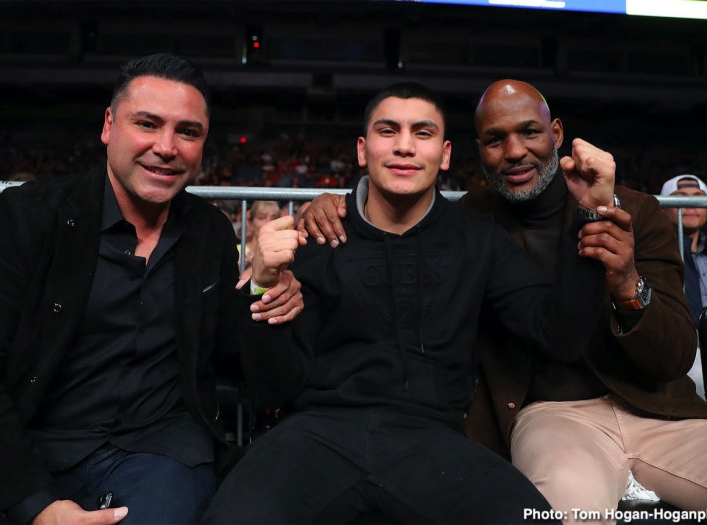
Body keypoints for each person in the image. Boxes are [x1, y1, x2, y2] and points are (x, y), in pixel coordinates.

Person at [204, 82, 618, 524]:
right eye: (388, 131)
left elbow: (556, 334)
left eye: (422, 133)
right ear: (362, 150)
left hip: (433, 440)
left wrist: (589, 215)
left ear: (444, 154)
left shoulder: (478, 239)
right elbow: (274, 387)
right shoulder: (317, 238)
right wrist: (263, 289)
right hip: (315, 435)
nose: (404, 146)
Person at [301, 79, 707, 521]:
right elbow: (388, 217)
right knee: (566, 515)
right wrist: (334, 207)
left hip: (659, 411)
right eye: (495, 139)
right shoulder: (469, 224)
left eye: (529, 132)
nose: (514, 151)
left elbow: (675, 356)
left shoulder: (631, 210)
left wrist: (628, 284)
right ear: (478, 149)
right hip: (552, 420)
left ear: (555, 133)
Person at [0, 53, 302, 525]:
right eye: (147, 124)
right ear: (108, 126)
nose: (166, 147)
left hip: (162, 455)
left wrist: (264, 289)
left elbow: (244, 365)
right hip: (31, 451)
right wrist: (35, 507)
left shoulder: (209, 233)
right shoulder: (28, 217)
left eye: (188, 132)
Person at [661, 174, 707, 399]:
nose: (690, 204)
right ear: (663, 208)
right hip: (680, 350)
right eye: (680, 197)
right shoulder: (653, 252)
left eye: (698, 197)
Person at [238, 200, 281, 271]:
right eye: (261, 218)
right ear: (251, 223)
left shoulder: (283, 252)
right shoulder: (238, 252)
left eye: (273, 218)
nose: (268, 222)